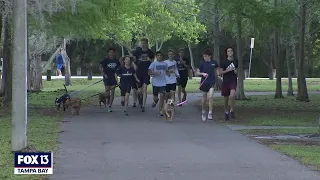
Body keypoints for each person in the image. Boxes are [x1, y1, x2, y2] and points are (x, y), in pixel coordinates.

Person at [195, 49, 219, 121]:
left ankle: (210, 112)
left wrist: (218, 73)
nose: (204, 58)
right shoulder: (202, 63)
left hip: (211, 82)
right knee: (204, 99)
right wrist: (203, 74)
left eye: (206, 56)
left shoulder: (214, 62)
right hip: (204, 82)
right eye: (204, 57)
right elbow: (197, 73)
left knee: (211, 96)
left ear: (209, 56)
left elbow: (217, 68)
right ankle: (203, 112)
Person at [132, 38, 154, 112]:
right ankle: (140, 98)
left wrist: (149, 60)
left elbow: (153, 62)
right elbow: (132, 60)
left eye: (144, 43)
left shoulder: (150, 52)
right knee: (139, 91)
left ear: (147, 43)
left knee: (145, 89)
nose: (143, 44)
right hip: (138, 72)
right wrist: (134, 66)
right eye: (142, 43)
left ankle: (143, 106)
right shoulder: (137, 51)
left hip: (146, 72)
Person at [219, 47, 238, 121]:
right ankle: (226, 111)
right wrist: (228, 70)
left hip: (233, 80)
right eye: (228, 51)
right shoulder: (223, 62)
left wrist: (236, 71)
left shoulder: (236, 61)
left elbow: (237, 70)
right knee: (226, 98)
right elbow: (220, 73)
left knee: (232, 95)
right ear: (226, 53)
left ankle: (232, 110)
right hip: (226, 81)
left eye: (231, 51)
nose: (230, 52)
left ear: (233, 52)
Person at [99, 48, 120, 112]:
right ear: (108, 53)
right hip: (107, 78)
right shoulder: (106, 60)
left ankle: (110, 106)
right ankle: (102, 97)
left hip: (113, 79)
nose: (111, 54)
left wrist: (118, 74)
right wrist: (103, 74)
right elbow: (100, 66)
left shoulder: (116, 61)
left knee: (112, 93)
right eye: (110, 52)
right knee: (107, 94)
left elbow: (119, 68)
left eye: (112, 52)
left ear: (114, 53)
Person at [148, 51, 168, 116]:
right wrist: (154, 73)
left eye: (160, 55)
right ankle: (155, 101)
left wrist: (171, 73)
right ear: (156, 56)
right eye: (158, 55)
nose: (159, 56)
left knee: (162, 96)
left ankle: (160, 111)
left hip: (163, 83)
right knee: (156, 98)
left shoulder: (165, 64)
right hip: (155, 83)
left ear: (162, 56)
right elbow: (149, 73)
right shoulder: (153, 64)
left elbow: (167, 72)